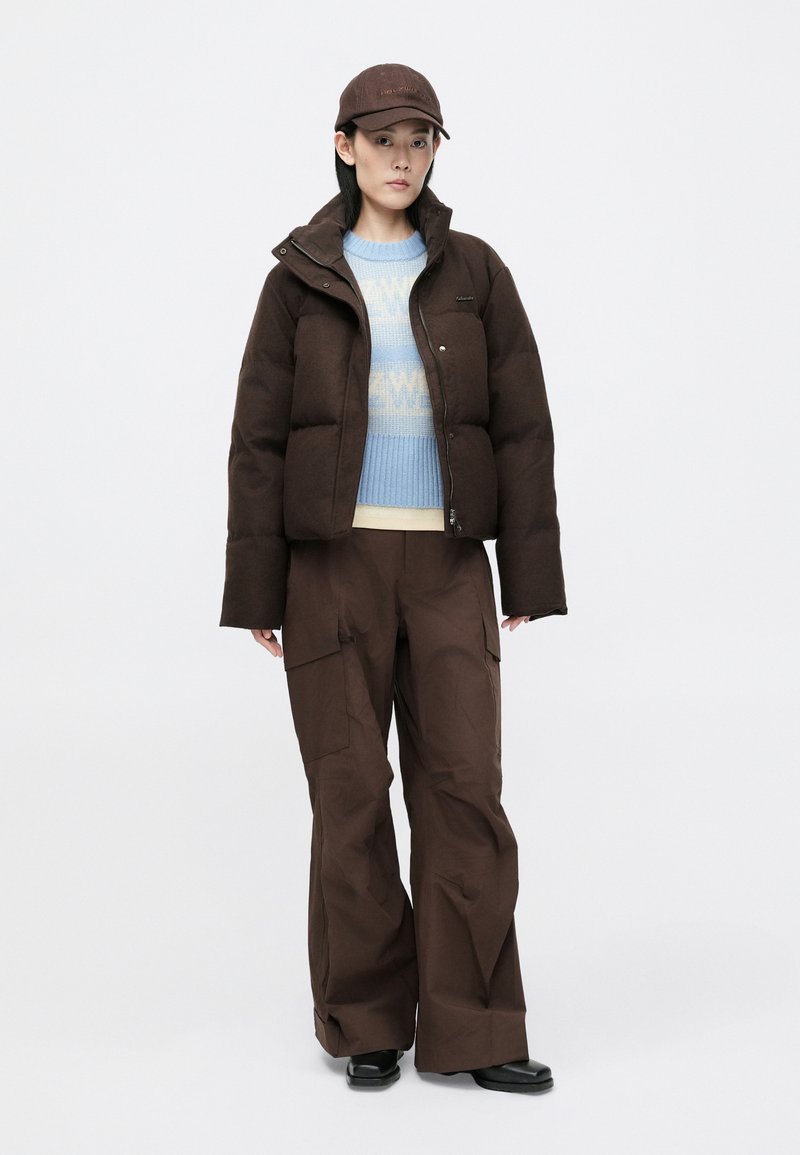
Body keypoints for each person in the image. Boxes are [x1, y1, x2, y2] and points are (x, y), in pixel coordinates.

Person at [219, 62, 567, 1094]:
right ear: (345, 147)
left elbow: (523, 426)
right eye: (383, 140)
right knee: (350, 795)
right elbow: (257, 443)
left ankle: (476, 1026)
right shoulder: (297, 280)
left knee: (464, 791)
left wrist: (528, 570)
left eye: (419, 140)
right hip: (330, 568)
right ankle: (367, 1020)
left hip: (450, 564)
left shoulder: (475, 272)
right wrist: (257, 590)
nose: (402, 158)